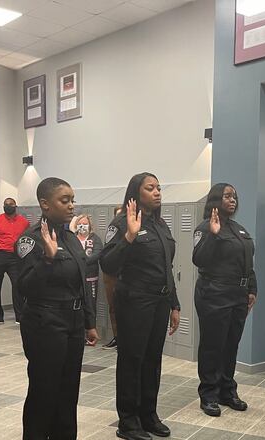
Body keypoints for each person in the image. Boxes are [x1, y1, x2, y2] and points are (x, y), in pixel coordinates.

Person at [16, 177, 98, 439]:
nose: (72, 206)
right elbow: (24, 287)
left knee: (68, 391)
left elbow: (81, 283)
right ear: (45, 204)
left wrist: (89, 322)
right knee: (44, 391)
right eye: (65, 200)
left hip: (73, 323)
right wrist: (47, 261)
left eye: (73, 200)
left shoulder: (71, 238)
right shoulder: (30, 240)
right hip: (44, 323)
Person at [100, 172, 180, 440]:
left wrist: (174, 304)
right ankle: (128, 422)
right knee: (132, 361)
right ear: (136, 192)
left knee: (152, 360)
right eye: (150, 188)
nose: (157, 192)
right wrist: (129, 237)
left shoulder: (161, 224)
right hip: (134, 302)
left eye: (158, 187)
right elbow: (108, 265)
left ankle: (149, 415)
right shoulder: (122, 221)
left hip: (159, 301)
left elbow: (166, 268)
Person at [192, 183, 257, 417]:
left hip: (238, 296)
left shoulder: (240, 229)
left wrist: (252, 288)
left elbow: (248, 262)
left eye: (235, 197)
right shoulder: (205, 228)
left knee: (231, 345)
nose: (233, 200)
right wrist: (214, 235)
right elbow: (198, 259)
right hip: (214, 294)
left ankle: (227, 391)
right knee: (212, 346)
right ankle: (208, 394)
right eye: (227, 196)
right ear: (216, 200)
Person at [0, 197, 29, 323]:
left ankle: (19, 316)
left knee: (17, 285)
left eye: (10, 204)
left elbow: (27, 239)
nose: (8, 206)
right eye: (6, 204)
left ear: (15, 206)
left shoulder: (24, 222)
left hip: (15, 257)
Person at [71, 214, 104, 345]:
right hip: (75, 278)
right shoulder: (72, 239)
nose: (82, 226)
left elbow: (97, 254)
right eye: (80, 223)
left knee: (90, 306)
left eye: (85, 223)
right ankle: (78, 334)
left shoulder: (95, 239)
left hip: (90, 279)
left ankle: (90, 333)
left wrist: (80, 261)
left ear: (90, 225)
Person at [102, 206, 124, 349]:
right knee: (113, 308)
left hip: (126, 275)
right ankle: (117, 337)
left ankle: (124, 338)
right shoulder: (113, 231)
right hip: (112, 275)